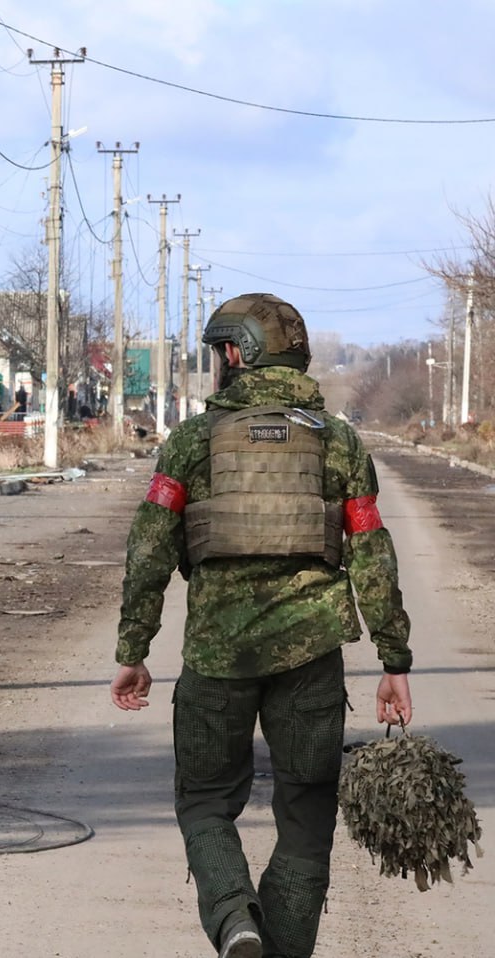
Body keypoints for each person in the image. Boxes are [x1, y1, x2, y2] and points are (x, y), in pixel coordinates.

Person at [108, 293, 413, 958]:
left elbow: (150, 551)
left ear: (237, 354)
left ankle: (235, 920)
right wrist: (394, 661)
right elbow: (372, 553)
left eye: (221, 351)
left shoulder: (190, 444)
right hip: (311, 659)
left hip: (218, 659)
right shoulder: (339, 444)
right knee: (305, 822)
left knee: (205, 805)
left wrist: (133, 649)